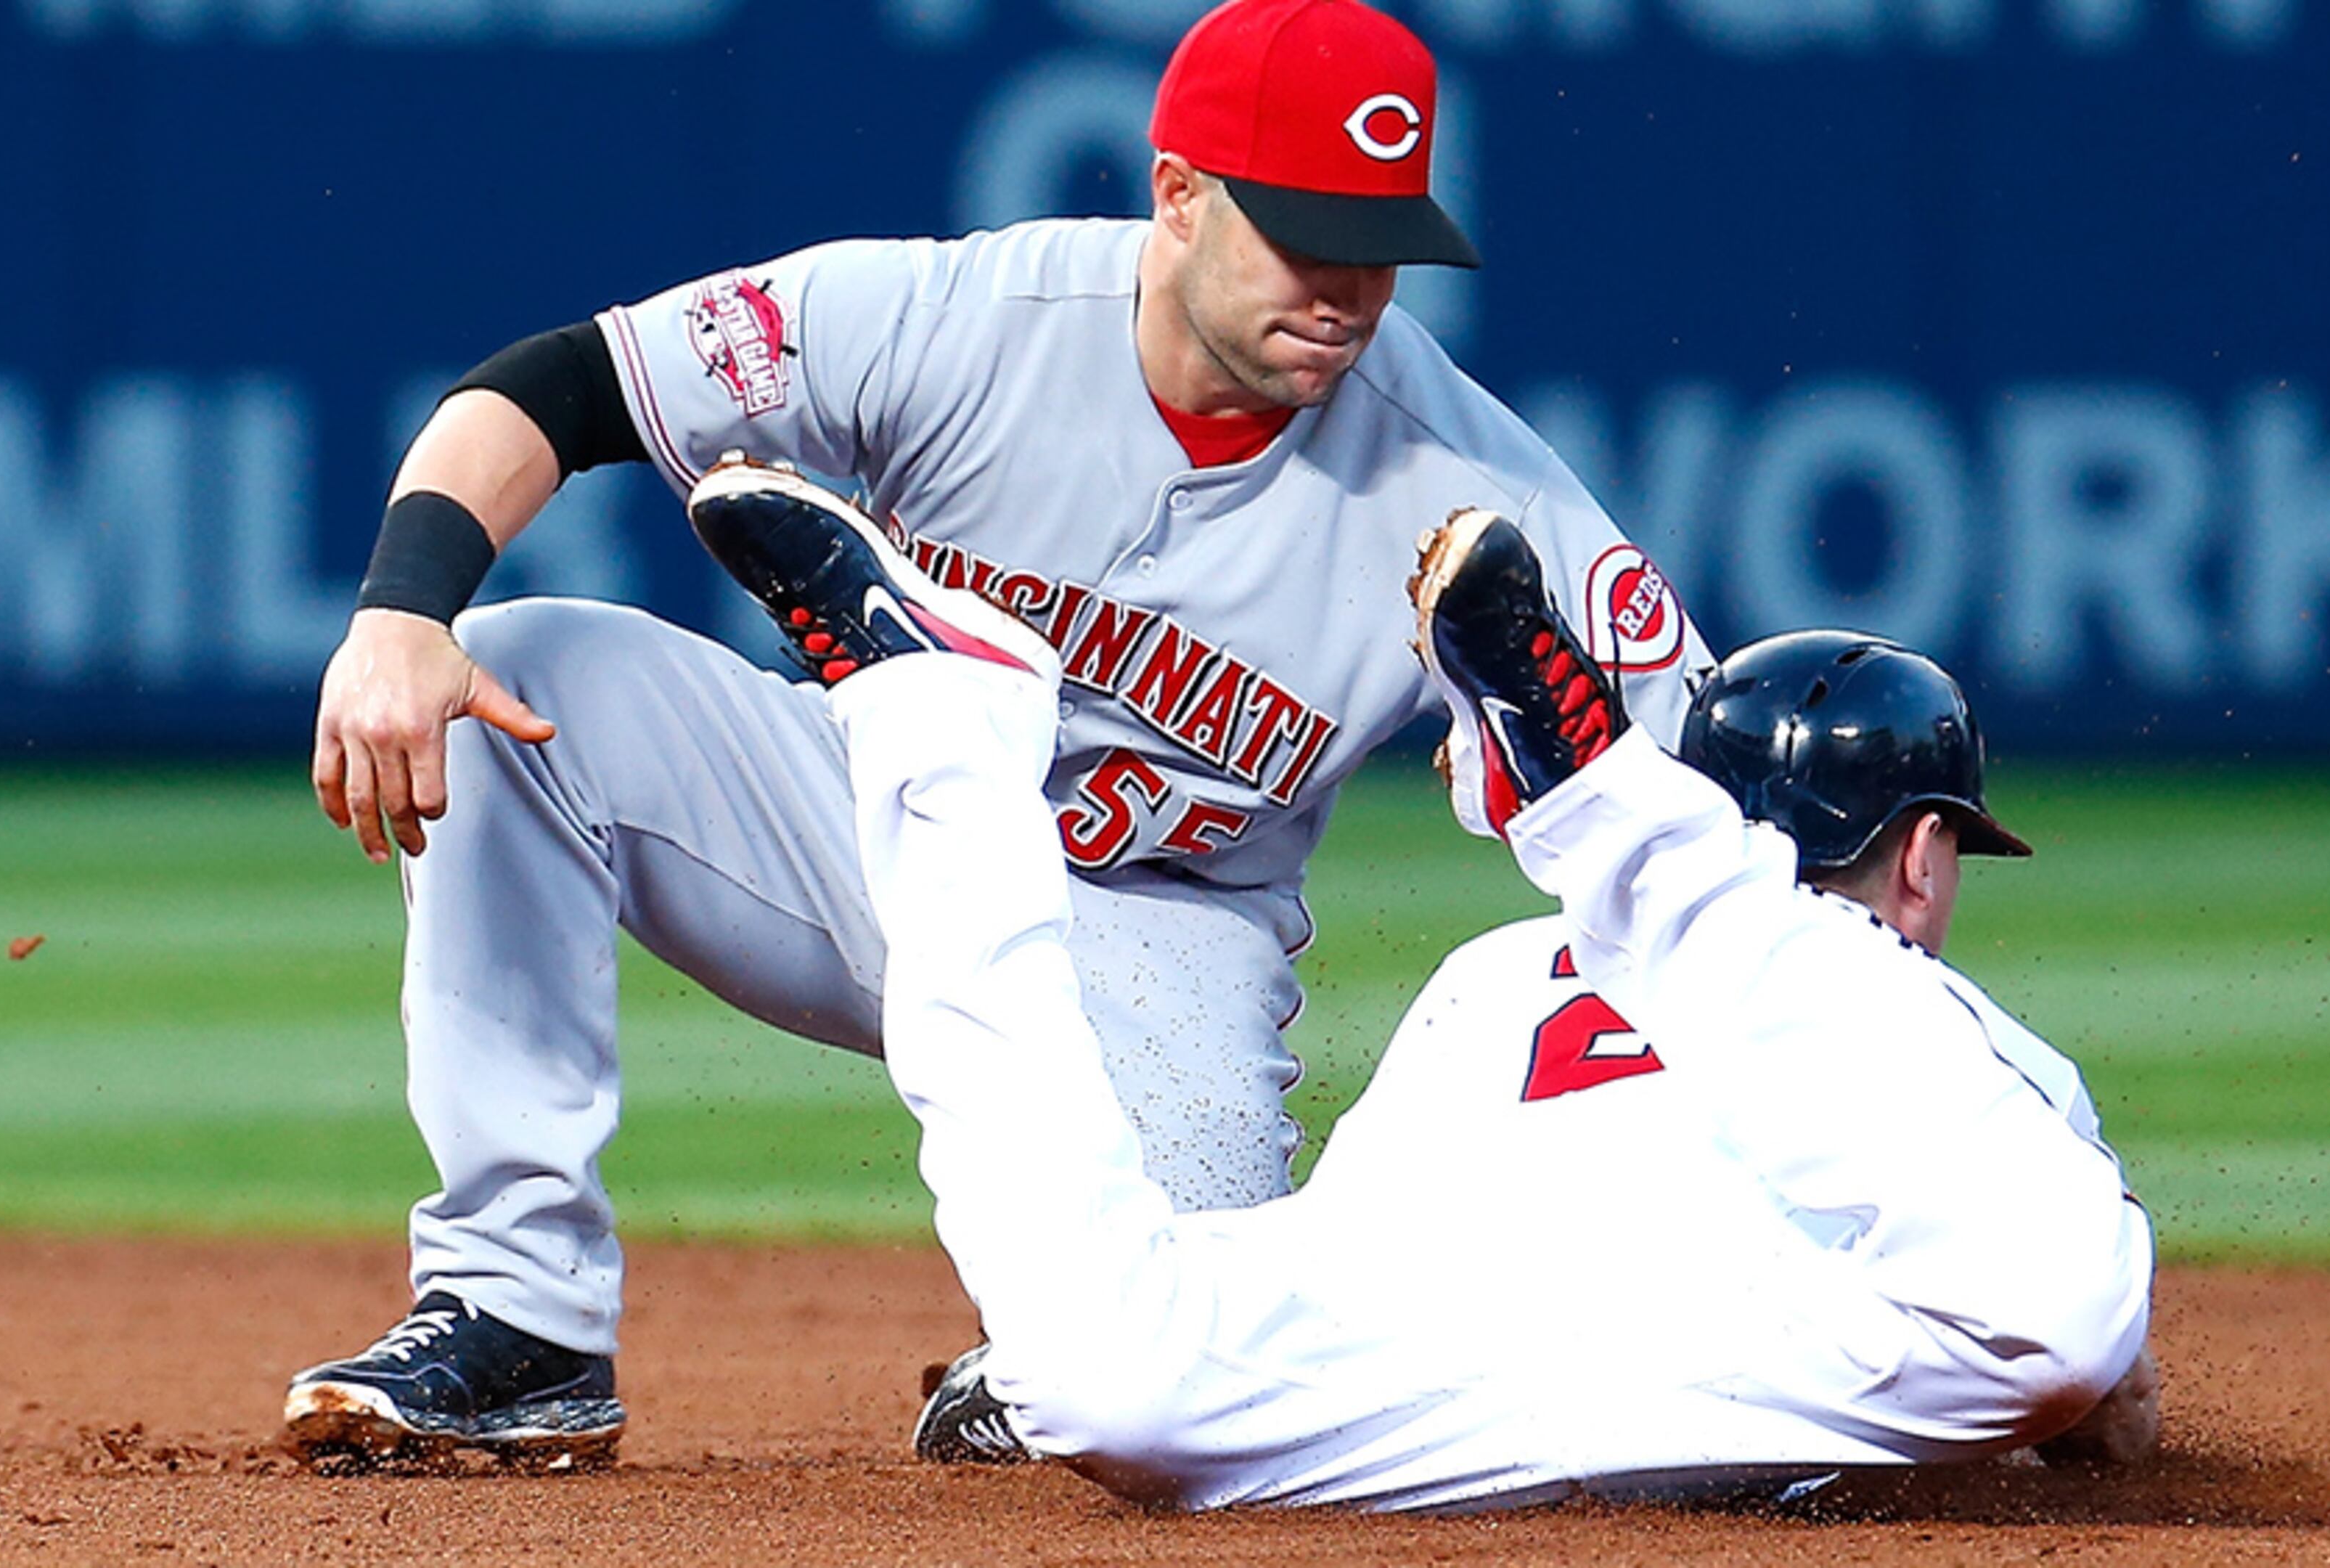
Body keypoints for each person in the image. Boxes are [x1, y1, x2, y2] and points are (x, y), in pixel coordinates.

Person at [286, 0, 1704, 1467]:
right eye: (1304, 233)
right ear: (1179, 193)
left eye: (1380, 245)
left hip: (1154, 943)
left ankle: (1032, 1363)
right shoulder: (968, 320)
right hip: (862, 833)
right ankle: (520, 1313)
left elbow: (1709, 781)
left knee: (1182, 1395)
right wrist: (401, 612)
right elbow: (557, 385)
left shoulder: (1463, 475)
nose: (1348, 289)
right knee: (522, 677)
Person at [692, 459, 2155, 1512]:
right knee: (2052, 1317)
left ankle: (940, 726)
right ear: (1919, 857)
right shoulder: (1972, 1046)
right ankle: (1591, 801)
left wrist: (1144, 1330)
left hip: (1451, 1381)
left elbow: (1344, 1241)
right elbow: (2097, 1405)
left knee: (1109, 1380)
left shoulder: (1501, 972)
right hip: (1728, 1355)